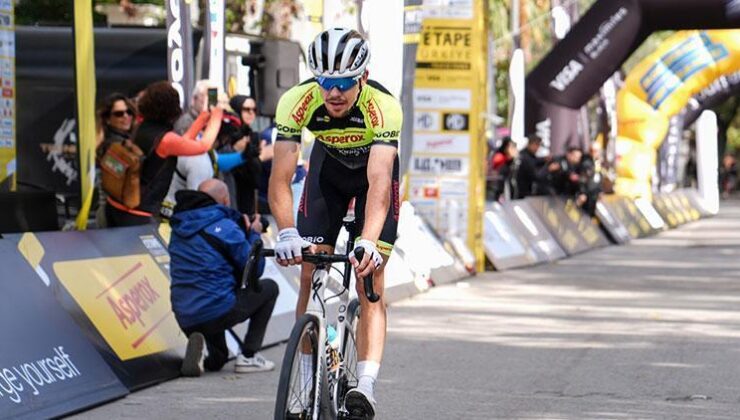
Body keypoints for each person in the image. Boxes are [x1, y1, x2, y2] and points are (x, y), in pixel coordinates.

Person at [269, 28, 401, 419]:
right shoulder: (297, 101)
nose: (334, 93)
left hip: (372, 181)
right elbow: (280, 177)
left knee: (369, 281)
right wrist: (286, 230)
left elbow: (378, 182)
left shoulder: (383, 107)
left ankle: (365, 385)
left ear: (362, 76)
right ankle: (309, 382)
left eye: (343, 83)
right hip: (328, 176)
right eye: (325, 82)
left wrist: (369, 241)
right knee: (310, 273)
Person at [169, 178, 278, 376]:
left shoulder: (178, 226)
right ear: (226, 200)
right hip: (217, 307)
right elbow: (254, 269)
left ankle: (202, 353)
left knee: (218, 359)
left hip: (185, 314)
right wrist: (253, 234)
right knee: (270, 288)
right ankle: (248, 356)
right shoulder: (223, 226)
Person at [104, 81, 223, 227]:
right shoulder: (165, 139)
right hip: (137, 214)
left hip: (117, 205)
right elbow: (203, 146)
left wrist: (203, 117)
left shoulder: (142, 127)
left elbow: (182, 142)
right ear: (172, 108)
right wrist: (217, 118)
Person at [160, 112, 256, 218]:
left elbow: (217, 161)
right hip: (176, 215)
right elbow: (196, 200)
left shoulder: (199, 148)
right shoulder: (198, 160)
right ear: (223, 137)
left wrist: (243, 156)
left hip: (174, 209)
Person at [228, 95, 263, 215]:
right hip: (232, 195)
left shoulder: (252, 135)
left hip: (248, 200)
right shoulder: (229, 134)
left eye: (254, 110)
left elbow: (255, 180)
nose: (251, 113)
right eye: (246, 109)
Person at [95, 93, 136, 159]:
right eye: (119, 114)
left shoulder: (127, 138)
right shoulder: (114, 144)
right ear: (107, 119)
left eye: (129, 112)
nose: (126, 116)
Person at [489, 136, 519, 201]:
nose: (514, 150)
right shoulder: (499, 157)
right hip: (498, 190)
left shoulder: (509, 160)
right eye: (511, 147)